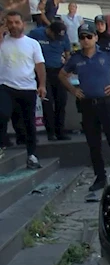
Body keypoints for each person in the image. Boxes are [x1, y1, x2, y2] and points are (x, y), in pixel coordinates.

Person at [59, 22, 110, 196]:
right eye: (82, 37)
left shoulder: (107, 55)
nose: (85, 40)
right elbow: (62, 75)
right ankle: (100, 177)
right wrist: (73, 89)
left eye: (89, 36)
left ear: (96, 37)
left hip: (107, 103)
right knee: (93, 144)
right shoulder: (76, 58)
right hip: (87, 105)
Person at [0, 11, 47, 168]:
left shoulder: (32, 43)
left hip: (27, 88)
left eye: (16, 22)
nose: (13, 25)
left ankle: (32, 155)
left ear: (23, 24)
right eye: (10, 22)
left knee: (28, 123)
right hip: (5, 86)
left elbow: (39, 66)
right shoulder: (2, 41)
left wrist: (42, 85)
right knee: (3, 113)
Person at [28, 20, 71, 141]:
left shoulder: (63, 36)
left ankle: (60, 131)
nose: (57, 38)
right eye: (55, 36)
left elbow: (67, 53)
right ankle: (50, 132)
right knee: (48, 102)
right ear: (50, 30)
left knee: (61, 101)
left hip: (58, 71)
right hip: (43, 71)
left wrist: (68, 68)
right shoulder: (36, 34)